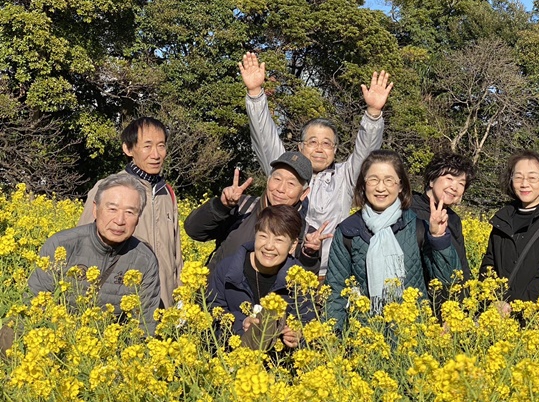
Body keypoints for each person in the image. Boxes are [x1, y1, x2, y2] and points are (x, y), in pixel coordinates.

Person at [240, 52, 393, 278]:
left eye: (327, 144)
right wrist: (255, 94)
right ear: (300, 147)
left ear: (335, 150)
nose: (320, 149)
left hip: (327, 274)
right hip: (278, 270)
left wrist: (373, 114)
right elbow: (264, 138)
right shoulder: (285, 171)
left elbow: (366, 151)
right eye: (312, 142)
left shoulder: (344, 177)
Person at [325, 150, 461, 330]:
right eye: (373, 180)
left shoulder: (418, 227)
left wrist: (438, 238)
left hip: (413, 334)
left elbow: (448, 281)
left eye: (389, 180)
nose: (381, 188)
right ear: (363, 185)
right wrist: (332, 337)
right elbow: (335, 292)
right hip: (365, 334)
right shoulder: (348, 231)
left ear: (400, 186)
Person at [29, 173, 161, 334]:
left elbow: (145, 326)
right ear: (95, 209)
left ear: (138, 218)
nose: (120, 220)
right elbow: (32, 306)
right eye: (112, 209)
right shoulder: (61, 245)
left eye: (129, 212)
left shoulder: (144, 260)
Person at [78, 117, 181, 310]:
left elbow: (176, 255)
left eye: (161, 146)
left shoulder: (167, 193)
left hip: (164, 306)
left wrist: (180, 299)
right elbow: (84, 245)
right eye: (147, 146)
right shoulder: (109, 187)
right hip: (121, 304)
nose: (156, 154)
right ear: (128, 149)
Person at [185, 151, 324, 275]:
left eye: (291, 184)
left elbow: (302, 283)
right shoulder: (242, 206)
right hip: (217, 294)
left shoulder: (307, 235)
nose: (281, 189)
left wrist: (309, 256)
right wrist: (221, 207)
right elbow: (194, 231)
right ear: (268, 180)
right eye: (277, 179)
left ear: (304, 193)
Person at [207, 205, 315, 349]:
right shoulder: (227, 269)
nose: (269, 246)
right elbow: (213, 311)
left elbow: (308, 321)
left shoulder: (299, 279)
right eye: (263, 236)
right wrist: (240, 323)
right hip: (229, 355)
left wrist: (297, 336)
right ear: (255, 235)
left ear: (293, 245)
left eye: (279, 240)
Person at [479, 150, 539, 311]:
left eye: (532, 178)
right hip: (496, 316)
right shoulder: (502, 221)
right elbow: (488, 268)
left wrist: (514, 306)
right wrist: (492, 301)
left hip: (534, 317)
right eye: (518, 177)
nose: (524, 184)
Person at [411, 152, 475, 281]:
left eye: (461, 184)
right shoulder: (408, 211)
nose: (454, 187)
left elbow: (462, 265)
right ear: (431, 180)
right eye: (449, 179)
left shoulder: (454, 219)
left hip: (450, 290)